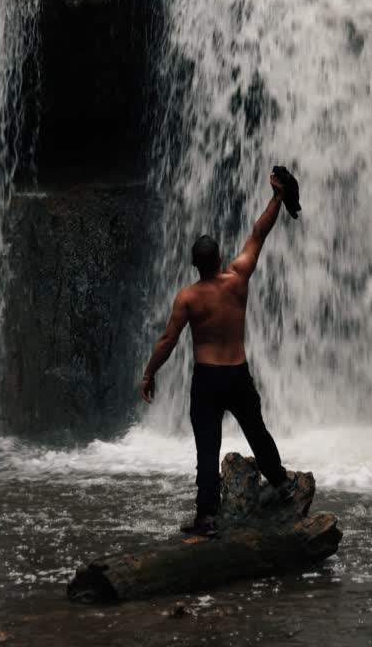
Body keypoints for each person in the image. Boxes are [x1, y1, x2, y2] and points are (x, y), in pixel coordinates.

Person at [141, 171, 297, 536]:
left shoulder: (188, 297)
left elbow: (167, 341)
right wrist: (277, 197)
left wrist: (149, 374)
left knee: (207, 450)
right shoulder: (238, 278)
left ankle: (207, 517)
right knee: (256, 431)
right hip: (237, 373)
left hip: (208, 379)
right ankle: (282, 484)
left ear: (195, 265)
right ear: (221, 257)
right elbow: (259, 234)